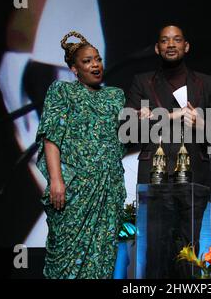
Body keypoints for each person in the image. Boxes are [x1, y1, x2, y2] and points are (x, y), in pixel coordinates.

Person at [124, 24, 211, 278]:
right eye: (165, 40)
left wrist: (203, 124)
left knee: (190, 246)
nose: (171, 44)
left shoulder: (206, 83)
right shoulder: (142, 82)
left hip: (194, 175)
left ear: (186, 46)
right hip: (154, 175)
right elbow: (127, 128)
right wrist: (166, 116)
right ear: (157, 48)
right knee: (155, 247)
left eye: (177, 39)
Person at [35, 31, 126, 279]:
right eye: (87, 61)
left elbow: (125, 132)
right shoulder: (61, 91)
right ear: (74, 69)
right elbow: (51, 137)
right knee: (64, 257)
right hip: (74, 189)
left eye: (97, 59)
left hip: (108, 188)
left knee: (103, 255)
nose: (95, 64)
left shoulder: (115, 95)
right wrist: (56, 180)